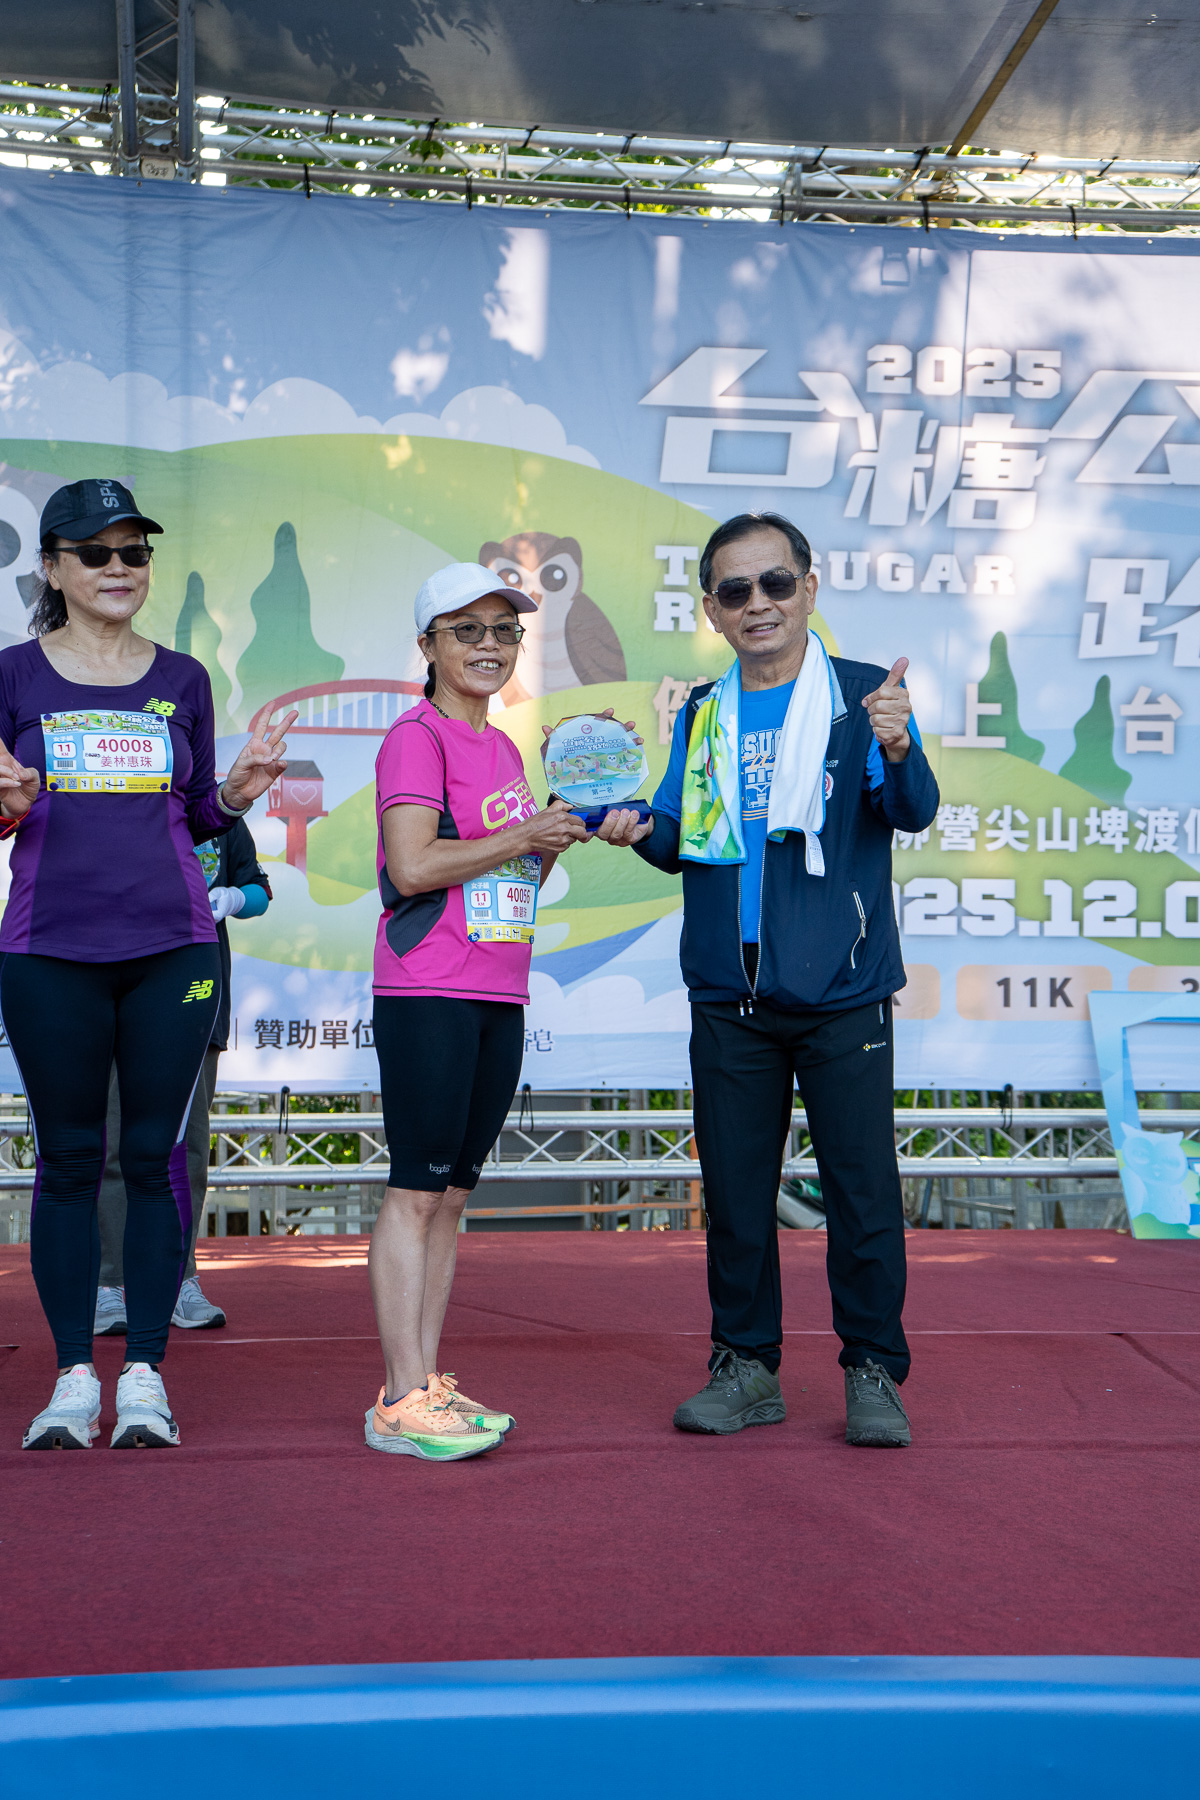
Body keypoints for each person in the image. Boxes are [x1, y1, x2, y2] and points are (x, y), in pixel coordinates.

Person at [599, 511, 940, 1447]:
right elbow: (683, 837)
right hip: (729, 996)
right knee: (737, 1197)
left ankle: (873, 1370)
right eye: (736, 590)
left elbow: (910, 810)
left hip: (844, 994)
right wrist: (631, 824)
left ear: (808, 589)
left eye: (776, 583)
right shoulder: (704, 711)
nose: (760, 604)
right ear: (713, 610)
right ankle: (746, 1366)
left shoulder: (863, 697)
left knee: (861, 1192)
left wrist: (899, 748)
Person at [1, 478, 295, 1452]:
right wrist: (5, 805)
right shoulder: (11, 676)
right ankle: (71, 1379)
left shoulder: (184, 678)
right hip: (49, 949)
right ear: (53, 569)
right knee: (68, 1162)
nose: (119, 567)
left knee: (156, 1158)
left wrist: (237, 795)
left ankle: (146, 1377)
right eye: (96, 552)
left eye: (135, 552)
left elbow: (198, 815)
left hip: (175, 948)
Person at [366, 561, 594, 1463]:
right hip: (430, 987)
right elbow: (414, 866)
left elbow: (515, 868)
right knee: (416, 1191)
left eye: (504, 631)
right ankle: (398, 1399)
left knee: (453, 1195)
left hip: (498, 987)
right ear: (429, 646)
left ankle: (424, 1381)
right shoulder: (415, 738)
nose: (490, 646)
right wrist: (524, 833)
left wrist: (556, 827)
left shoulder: (501, 746)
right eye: (468, 630)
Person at [93, 816, 273, 1337]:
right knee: (112, 1145)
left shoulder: (222, 814)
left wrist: (233, 900)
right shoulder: (124, 799)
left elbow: (259, 892)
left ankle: (179, 1279)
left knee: (188, 1151)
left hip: (195, 999)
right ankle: (109, 1284)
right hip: (115, 993)